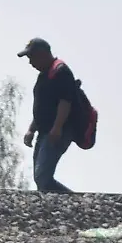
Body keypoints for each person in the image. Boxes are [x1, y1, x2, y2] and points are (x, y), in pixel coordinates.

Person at [17, 37, 81, 194]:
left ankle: (75, 203)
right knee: (40, 179)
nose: (30, 63)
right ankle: (54, 206)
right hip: (44, 131)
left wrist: (57, 128)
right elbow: (42, 107)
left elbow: (65, 102)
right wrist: (31, 130)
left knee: (43, 178)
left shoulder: (61, 71)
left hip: (57, 131)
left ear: (42, 54)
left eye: (31, 57)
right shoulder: (45, 75)